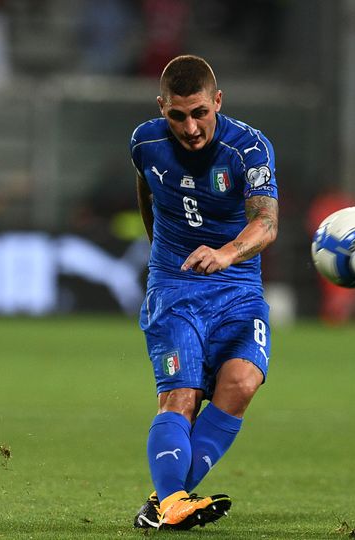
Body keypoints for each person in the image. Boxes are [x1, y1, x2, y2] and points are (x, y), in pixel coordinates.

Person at [127, 54, 280, 531]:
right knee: (182, 396)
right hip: (175, 287)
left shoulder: (249, 149)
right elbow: (147, 192)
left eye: (199, 113)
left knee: (241, 384)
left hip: (236, 285)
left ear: (218, 101)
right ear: (162, 108)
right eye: (177, 115)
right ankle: (174, 501)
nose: (190, 127)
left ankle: (163, 502)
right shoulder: (145, 143)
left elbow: (267, 222)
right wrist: (164, 258)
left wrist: (227, 254)